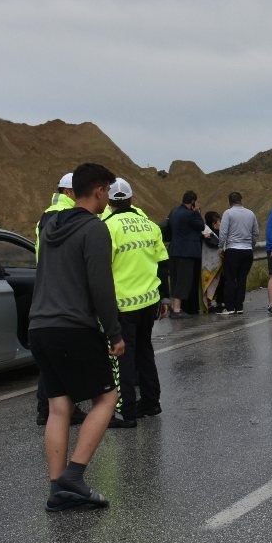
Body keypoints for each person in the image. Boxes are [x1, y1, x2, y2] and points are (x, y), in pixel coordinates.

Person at [29, 162, 124, 511]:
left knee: (59, 405)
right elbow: (101, 286)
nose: (108, 199)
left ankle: (58, 490)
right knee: (107, 397)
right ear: (98, 191)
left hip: (40, 327)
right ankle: (74, 475)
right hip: (73, 327)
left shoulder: (48, 223)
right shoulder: (95, 230)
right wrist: (114, 332)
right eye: (107, 191)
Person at [102, 178, 170, 427]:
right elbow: (163, 264)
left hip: (123, 305)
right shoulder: (150, 225)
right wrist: (164, 297)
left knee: (123, 357)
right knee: (145, 351)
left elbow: (102, 269)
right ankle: (152, 402)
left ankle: (127, 410)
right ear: (131, 199)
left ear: (109, 202)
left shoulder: (107, 227)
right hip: (149, 301)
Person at [33, 173, 87, 427]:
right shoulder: (61, 215)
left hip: (47, 285)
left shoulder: (50, 213)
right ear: (69, 192)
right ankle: (52, 407)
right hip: (60, 288)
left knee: (55, 355)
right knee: (61, 354)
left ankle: (51, 406)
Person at [166, 191, 206, 318]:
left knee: (175, 279)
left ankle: (173, 307)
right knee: (183, 281)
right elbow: (201, 226)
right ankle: (177, 309)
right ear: (193, 201)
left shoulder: (174, 212)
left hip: (174, 250)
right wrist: (198, 212)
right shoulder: (191, 214)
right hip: (187, 252)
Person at [218, 192, 259, 315]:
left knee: (230, 279)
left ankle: (230, 307)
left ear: (229, 201)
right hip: (247, 251)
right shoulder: (250, 213)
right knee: (242, 279)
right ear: (241, 200)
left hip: (233, 250)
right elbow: (255, 233)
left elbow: (223, 233)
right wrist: (250, 245)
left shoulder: (228, 213)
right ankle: (239, 306)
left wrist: (221, 247)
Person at [200, 211, 224, 312]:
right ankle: (209, 304)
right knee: (210, 284)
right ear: (214, 223)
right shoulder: (206, 231)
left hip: (217, 265)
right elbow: (213, 244)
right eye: (219, 221)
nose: (221, 223)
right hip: (209, 265)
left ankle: (217, 302)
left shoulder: (216, 233)